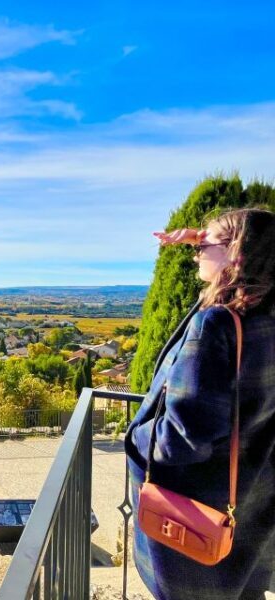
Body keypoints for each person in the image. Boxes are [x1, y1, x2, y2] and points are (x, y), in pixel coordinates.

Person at [125, 207, 275, 600]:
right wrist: (204, 237)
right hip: (251, 507)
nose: (195, 253)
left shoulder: (217, 326)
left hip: (198, 519)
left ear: (236, 254)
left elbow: (182, 439)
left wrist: (136, 434)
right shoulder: (266, 317)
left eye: (203, 245)